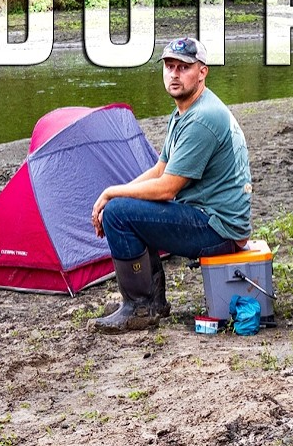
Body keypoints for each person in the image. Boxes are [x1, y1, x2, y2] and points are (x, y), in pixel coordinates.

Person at [88, 37, 253, 333]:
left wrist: (111, 194)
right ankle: (151, 301)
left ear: (202, 71)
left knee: (119, 214)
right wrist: (116, 194)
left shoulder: (202, 118)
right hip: (210, 218)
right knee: (125, 207)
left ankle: (139, 307)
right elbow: (160, 168)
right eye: (169, 66)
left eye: (184, 67)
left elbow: (167, 188)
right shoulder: (185, 111)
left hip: (218, 227)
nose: (174, 74)